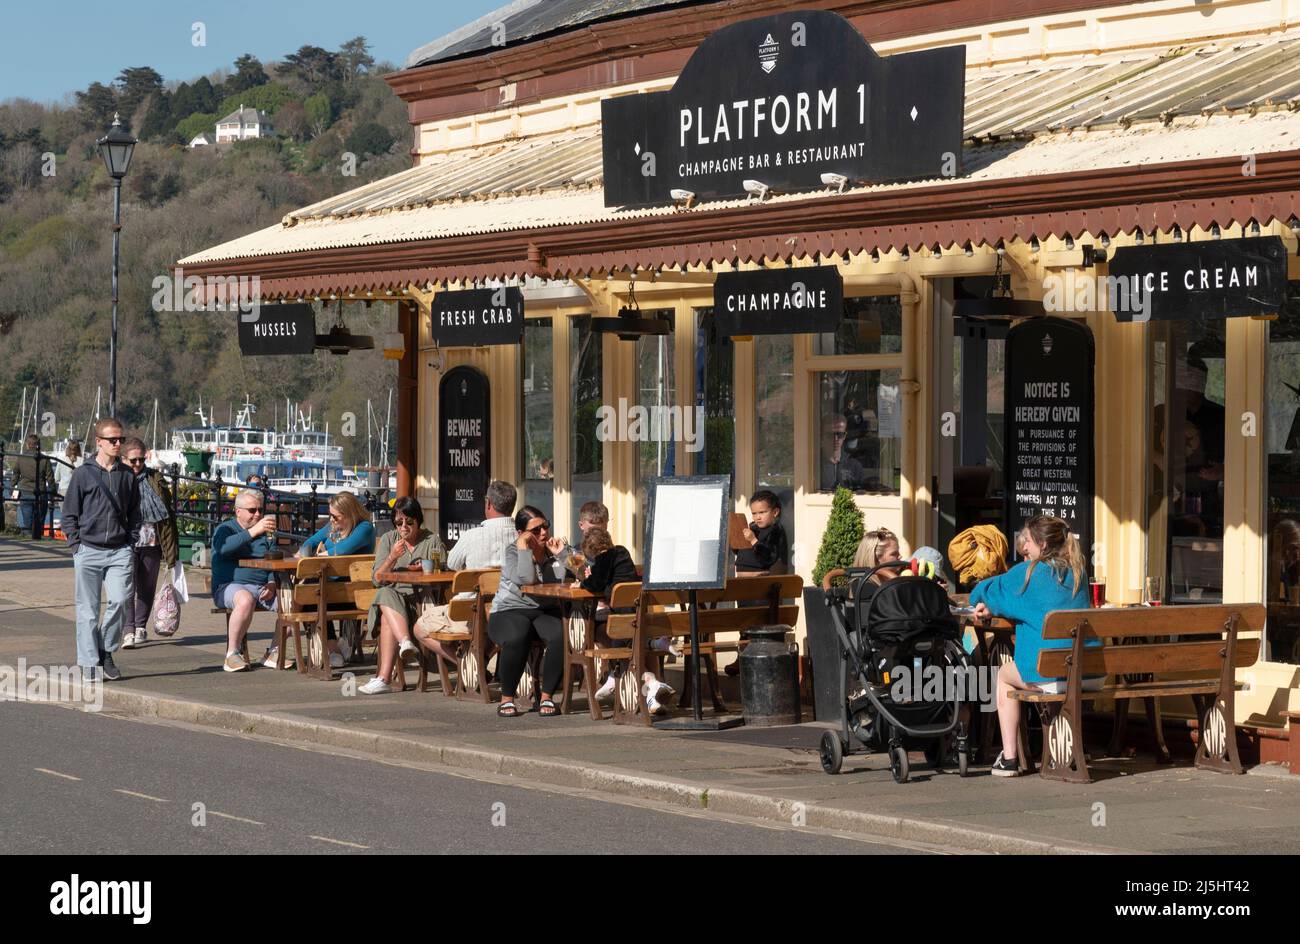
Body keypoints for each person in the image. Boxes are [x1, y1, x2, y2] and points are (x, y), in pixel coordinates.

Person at [968, 514, 1097, 778]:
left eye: (1028, 542)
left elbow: (981, 592)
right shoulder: (1079, 572)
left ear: (1043, 545)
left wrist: (989, 605)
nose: (1024, 548)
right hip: (1091, 673)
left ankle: (1009, 758)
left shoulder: (1028, 573)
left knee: (1003, 676)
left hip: (1052, 675)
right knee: (1036, 669)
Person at [61, 418, 141, 681]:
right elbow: (69, 512)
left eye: (121, 439)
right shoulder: (83, 473)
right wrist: (76, 545)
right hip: (89, 549)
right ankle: (88, 661)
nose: (118, 444)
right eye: (112, 440)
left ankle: (105, 649)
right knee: (88, 610)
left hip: (119, 550)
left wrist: (130, 542)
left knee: (120, 601)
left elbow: (134, 513)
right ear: (99, 442)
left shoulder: (127, 475)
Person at [411, 480, 519, 657]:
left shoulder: (471, 536)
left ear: (489, 503)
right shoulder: (522, 536)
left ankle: (464, 664)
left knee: (419, 628)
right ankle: (481, 661)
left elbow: (452, 564)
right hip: (512, 614)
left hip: (470, 615)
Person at [358, 497, 446, 695]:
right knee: (385, 592)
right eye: (399, 523)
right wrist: (392, 557)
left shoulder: (431, 540)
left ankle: (384, 678)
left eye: (409, 522)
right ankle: (404, 644)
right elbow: (376, 579)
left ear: (418, 520)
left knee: (386, 611)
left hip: (423, 602)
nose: (404, 527)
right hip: (395, 598)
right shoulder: (389, 540)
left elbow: (442, 571)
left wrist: (422, 569)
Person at [488, 505, 567, 717]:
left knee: (561, 635)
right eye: (536, 530)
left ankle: (547, 697)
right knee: (518, 634)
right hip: (509, 610)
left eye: (545, 526)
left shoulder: (553, 552)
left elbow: (575, 578)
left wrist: (563, 556)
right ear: (521, 534)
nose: (543, 533)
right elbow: (526, 579)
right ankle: (506, 698)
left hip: (543, 610)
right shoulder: (513, 552)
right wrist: (524, 548)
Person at [289, 491, 376, 668]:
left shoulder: (364, 528)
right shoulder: (333, 526)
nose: (332, 520)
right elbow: (309, 543)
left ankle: (331, 648)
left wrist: (318, 555)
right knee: (310, 596)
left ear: (350, 514)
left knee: (309, 598)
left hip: (353, 594)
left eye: (336, 517)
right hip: (331, 590)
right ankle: (334, 646)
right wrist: (303, 553)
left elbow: (342, 550)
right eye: (331, 516)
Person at [210, 489, 279, 672]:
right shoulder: (225, 529)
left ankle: (274, 651)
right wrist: (253, 531)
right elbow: (223, 548)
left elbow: (273, 560)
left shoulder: (267, 533)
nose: (257, 514)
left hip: (262, 586)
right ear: (238, 511)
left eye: (260, 510)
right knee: (245, 599)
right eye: (252, 510)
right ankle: (232, 654)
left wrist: (272, 582)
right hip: (229, 586)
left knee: (295, 603)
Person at [121, 438, 180, 648]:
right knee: (126, 587)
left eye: (141, 459)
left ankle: (139, 626)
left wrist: (172, 548)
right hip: (125, 541)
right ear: (124, 459)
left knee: (146, 586)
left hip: (153, 539)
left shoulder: (155, 478)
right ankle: (128, 629)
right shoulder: (118, 478)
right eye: (133, 460)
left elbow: (167, 511)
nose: (137, 464)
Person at [734, 489, 790, 575]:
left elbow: (769, 557)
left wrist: (753, 540)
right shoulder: (752, 528)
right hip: (740, 577)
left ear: (775, 512)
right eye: (754, 513)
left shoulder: (774, 530)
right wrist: (735, 540)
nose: (757, 517)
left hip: (759, 578)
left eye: (762, 512)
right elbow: (740, 551)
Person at [11, 433, 55, 537]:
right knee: (39, 521)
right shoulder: (44, 459)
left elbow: (15, 474)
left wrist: (12, 488)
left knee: (27, 521)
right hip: (40, 492)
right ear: (38, 445)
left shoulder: (21, 458)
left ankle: (28, 537)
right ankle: (38, 538)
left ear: (27, 444)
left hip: (25, 491)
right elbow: (50, 478)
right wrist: (52, 493)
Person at [819, 413, 868, 491]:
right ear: (821, 436)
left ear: (845, 436)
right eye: (830, 435)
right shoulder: (814, 465)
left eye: (840, 434)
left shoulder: (855, 466)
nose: (835, 439)